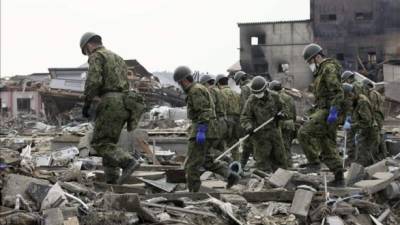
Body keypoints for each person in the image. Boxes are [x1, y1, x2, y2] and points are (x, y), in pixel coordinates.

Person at [80, 32, 141, 184]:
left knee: (100, 143)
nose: (87, 54)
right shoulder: (118, 58)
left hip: (110, 102)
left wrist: (87, 103)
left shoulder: (97, 56)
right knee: (110, 144)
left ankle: (128, 162)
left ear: (88, 45)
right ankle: (112, 180)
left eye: (85, 51)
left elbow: (93, 81)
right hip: (124, 103)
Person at [173, 66, 239, 192]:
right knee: (206, 160)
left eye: (180, 83)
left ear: (184, 81)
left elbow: (204, 111)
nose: (180, 86)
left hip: (204, 129)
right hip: (210, 130)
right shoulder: (199, 88)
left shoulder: (195, 90)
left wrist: (201, 130)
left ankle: (194, 193)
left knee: (191, 164)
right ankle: (230, 175)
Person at [298, 43, 344, 186]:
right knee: (326, 144)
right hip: (323, 110)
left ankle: (314, 162)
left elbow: (337, 92)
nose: (310, 65)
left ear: (318, 57)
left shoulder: (328, 68)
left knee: (303, 133)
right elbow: (322, 97)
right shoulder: (321, 71)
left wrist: (334, 111)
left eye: (311, 61)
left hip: (329, 111)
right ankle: (339, 177)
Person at [240, 76, 288, 172]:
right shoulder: (251, 100)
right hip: (260, 135)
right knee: (262, 162)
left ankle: (281, 179)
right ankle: (264, 181)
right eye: (255, 93)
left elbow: (285, 110)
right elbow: (245, 117)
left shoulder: (275, 97)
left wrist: (281, 115)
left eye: (259, 92)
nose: (258, 94)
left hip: (275, 132)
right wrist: (248, 126)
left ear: (265, 88)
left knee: (279, 158)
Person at [342, 83, 379, 166]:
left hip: (370, 131)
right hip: (364, 131)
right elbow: (357, 114)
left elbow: (367, 121)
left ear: (352, 93)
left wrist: (351, 125)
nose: (349, 99)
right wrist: (350, 118)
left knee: (363, 157)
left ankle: (369, 175)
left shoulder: (362, 102)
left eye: (349, 96)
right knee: (364, 156)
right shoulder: (356, 100)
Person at [199, 75, 228, 159]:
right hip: (223, 122)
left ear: (205, 83)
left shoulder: (210, 92)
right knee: (221, 147)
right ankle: (225, 167)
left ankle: (226, 160)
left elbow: (210, 108)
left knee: (210, 149)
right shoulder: (220, 91)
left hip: (216, 123)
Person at [269, 80, 296, 165]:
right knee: (287, 145)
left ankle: (285, 165)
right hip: (290, 123)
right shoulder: (289, 97)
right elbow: (294, 112)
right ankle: (289, 163)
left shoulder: (275, 97)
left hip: (281, 123)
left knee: (281, 146)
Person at [216, 74, 241, 161]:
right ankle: (236, 166)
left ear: (218, 83)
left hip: (225, 121)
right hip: (237, 121)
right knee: (235, 146)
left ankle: (222, 166)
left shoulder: (219, 93)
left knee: (220, 145)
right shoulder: (236, 94)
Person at [362, 79, 387, 160]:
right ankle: (383, 155)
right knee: (379, 134)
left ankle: (378, 156)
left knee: (376, 136)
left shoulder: (372, 94)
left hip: (376, 116)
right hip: (379, 116)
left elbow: (371, 107)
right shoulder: (376, 93)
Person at [233, 71, 254, 169]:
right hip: (259, 119)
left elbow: (244, 106)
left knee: (248, 144)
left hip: (250, 121)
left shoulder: (245, 89)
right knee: (251, 144)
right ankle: (242, 165)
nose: (239, 85)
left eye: (239, 82)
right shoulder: (254, 84)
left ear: (242, 79)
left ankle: (242, 166)